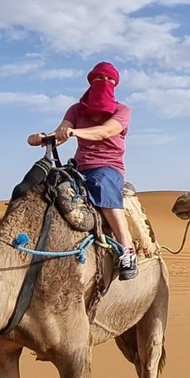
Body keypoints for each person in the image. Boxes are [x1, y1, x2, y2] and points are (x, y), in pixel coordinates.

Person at [27, 61, 138, 281]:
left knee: (102, 187)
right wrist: (42, 138)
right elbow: (61, 132)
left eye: (108, 80)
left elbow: (105, 131)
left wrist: (76, 132)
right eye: (98, 79)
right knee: (44, 187)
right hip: (78, 167)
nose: (103, 83)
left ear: (115, 85)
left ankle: (127, 250)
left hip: (107, 167)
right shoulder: (76, 109)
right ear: (90, 81)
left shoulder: (122, 110)